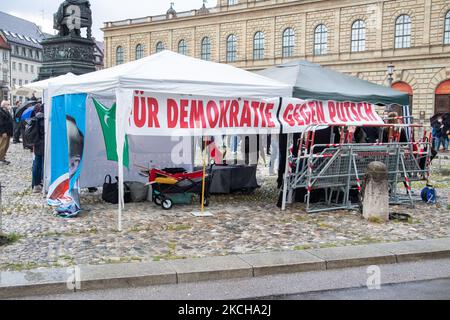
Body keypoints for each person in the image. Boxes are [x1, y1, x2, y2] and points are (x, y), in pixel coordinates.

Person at [28, 104, 45, 192]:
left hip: (37, 143)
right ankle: (41, 182)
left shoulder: (35, 118)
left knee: (36, 164)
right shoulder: (44, 118)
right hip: (43, 143)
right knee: (42, 164)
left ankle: (35, 184)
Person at [0, 100, 13, 165]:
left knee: (6, 146)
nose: (9, 105)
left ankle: (3, 158)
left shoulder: (7, 111)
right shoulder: (1, 112)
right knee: (2, 146)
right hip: (4, 132)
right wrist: (3, 132)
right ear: (4, 105)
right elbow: (1, 123)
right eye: (8, 104)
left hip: (8, 132)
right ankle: (1, 159)